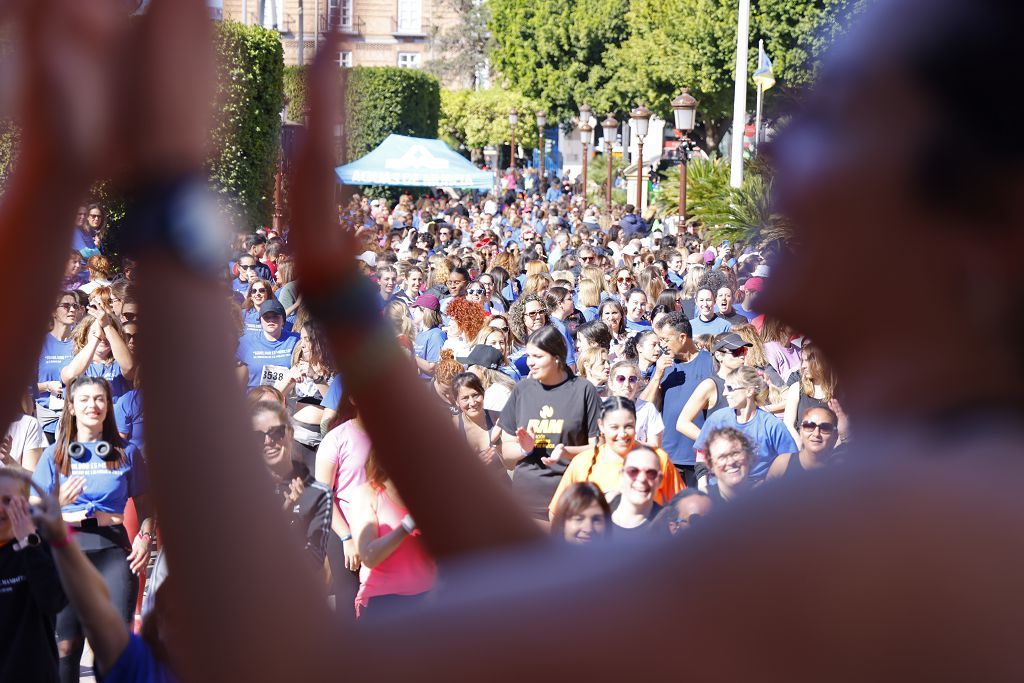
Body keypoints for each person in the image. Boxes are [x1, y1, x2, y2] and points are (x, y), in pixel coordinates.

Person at [30, 377, 153, 682]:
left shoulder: (127, 451)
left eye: (99, 399)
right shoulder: (54, 454)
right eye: (84, 400)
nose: (92, 406)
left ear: (108, 406)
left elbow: (147, 505)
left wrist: (146, 537)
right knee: (66, 645)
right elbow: (33, 510)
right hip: (67, 550)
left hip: (113, 549)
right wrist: (57, 501)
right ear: (70, 407)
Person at [498, 326, 600, 520]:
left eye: (537, 357)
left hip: (572, 497)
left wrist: (567, 451)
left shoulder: (584, 390)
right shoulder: (522, 390)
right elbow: (506, 454)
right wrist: (524, 449)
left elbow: (599, 447)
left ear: (556, 357)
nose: (530, 363)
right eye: (528, 356)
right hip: (527, 500)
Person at [549, 397, 681, 517]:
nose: (622, 434)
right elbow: (557, 513)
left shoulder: (657, 460)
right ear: (601, 426)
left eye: (629, 426)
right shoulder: (583, 462)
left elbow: (681, 509)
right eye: (614, 427)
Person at [348, 452, 436, 618]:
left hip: (431, 599)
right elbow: (368, 556)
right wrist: (408, 525)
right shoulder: (367, 493)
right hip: (384, 604)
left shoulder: (428, 491)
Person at [0, 469, 66, 683]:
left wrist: (28, 543)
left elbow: (53, 601)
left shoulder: (39, 545)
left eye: (8, 501)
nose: (1, 508)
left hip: (35, 673)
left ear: (26, 504)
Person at [251, 400, 331, 568]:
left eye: (276, 432)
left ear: (291, 434)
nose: (268, 441)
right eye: (258, 436)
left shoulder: (315, 491)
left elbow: (318, 560)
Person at [639, 313, 715, 487]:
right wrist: (657, 375)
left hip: (700, 456)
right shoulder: (663, 365)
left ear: (682, 337)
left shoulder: (710, 362)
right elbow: (645, 407)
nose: (662, 346)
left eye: (665, 339)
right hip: (669, 456)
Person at [314, 393, 370, 612]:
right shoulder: (336, 438)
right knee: (350, 603)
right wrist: (346, 537)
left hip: (384, 531)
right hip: (345, 533)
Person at [694, 367, 798, 480]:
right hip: (719, 490)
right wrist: (703, 484)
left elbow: (791, 462)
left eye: (730, 388)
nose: (724, 393)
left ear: (749, 391)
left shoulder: (772, 425)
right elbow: (701, 454)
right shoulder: (717, 419)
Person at [274, 322, 334, 470]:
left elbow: (335, 402)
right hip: (298, 440)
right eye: (301, 339)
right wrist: (289, 379)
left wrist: (316, 377)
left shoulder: (335, 370)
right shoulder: (299, 366)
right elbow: (272, 396)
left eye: (307, 339)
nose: (302, 345)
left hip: (325, 442)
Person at [675, 332, 752, 445]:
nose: (742, 356)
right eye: (736, 352)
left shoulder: (747, 382)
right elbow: (682, 423)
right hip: (720, 458)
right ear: (719, 356)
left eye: (743, 350)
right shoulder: (710, 385)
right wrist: (714, 444)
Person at [61, 312, 135, 404]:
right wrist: (96, 338)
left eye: (105, 332)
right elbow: (69, 376)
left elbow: (129, 368)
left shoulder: (120, 362)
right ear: (85, 335)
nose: (103, 337)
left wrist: (107, 326)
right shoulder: (74, 361)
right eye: (95, 332)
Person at [235, 299, 301, 390]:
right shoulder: (245, 342)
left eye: (275, 316)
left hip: (286, 399)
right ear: (260, 321)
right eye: (266, 317)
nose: (271, 320)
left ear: (283, 320)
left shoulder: (296, 339)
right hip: (254, 400)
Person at [783, 342, 840, 443]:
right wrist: (802, 451)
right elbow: (788, 425)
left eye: (808, 361)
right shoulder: (797, 388)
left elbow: (842, 429)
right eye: (802, 361)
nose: (803, 366)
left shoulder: (839, 391)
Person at [767, 406, 843, 481]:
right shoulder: (782, 464)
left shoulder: (842, 471)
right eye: (809, 426)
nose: (816, 434)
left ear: (835, 436)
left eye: (825, 428)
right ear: (800, 432)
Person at [451, 373, 504, 473]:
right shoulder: (453, 427)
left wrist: (499, 445)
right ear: (457, 401)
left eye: (475, 395)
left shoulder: (498, 419)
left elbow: (512, 464)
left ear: (483, 394)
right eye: (465, 398)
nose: (472, 402)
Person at [605, 446, 663, 536]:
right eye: (633, 471)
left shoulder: (668, 527)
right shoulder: (599, 510)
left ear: (659, 479)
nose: (642, 479)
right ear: (621, 475)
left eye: (650, 473)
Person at [605, 360, 664, 448]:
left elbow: (655, 445)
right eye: (621, 379)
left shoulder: (648, 408)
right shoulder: (601, 407)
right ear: (611, 383)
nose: (627, 384)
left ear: (637, 384)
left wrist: (629, 444)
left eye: (632, 379)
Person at [702, 427, 757, 503]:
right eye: (722, 457)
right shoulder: (703, 505)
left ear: (748, 456)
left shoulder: (766, 498)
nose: (731, 462)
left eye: (735, 453)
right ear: (710, 465)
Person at [411, 294, 445, 378]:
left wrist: (409, 354)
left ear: (424, 311)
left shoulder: (436, 335)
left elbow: (432, 368)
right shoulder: (420, 334)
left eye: (416, 308)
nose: (413, 312)